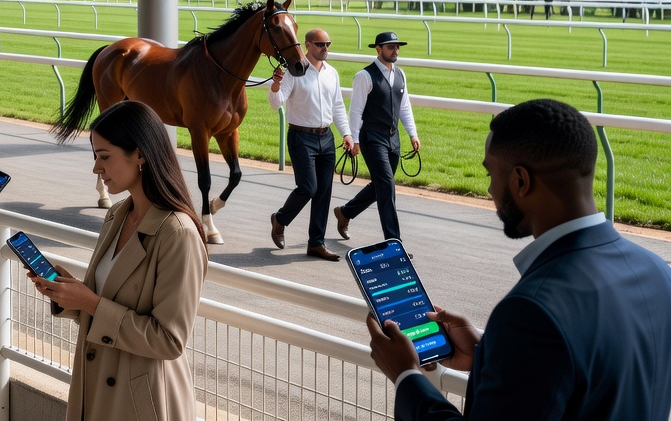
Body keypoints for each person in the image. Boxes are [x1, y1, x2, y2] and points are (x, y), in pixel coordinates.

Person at [367, 99, 671, 420]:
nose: (489, 189)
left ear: (521, 181)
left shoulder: (531, 311)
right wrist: (486, 354)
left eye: (490, 174)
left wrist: (406, 374)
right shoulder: (655, 271)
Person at [30, 100, 206, 421]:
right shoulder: (116, 214)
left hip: (142, 402)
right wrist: (67, 296)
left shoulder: (178, 233)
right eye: (95, 156)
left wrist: (92, 303)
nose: (96, 168)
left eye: (105, 157)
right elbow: (106, 300)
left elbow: (169, 340)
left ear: (140, 154)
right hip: (97, 390)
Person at [266, 29, 354, 261]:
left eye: (328, 43)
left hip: (326, 137)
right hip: (301, 137)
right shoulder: (294, 72)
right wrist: (275, 86)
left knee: (324, 193)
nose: (325, 47)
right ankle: (280, 219)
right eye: (320, 44)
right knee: (308, 187)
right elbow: (276, 104)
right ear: (307, 45)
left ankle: (316, 243)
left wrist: (346, 134)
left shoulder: (332, 73)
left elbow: (337, 106)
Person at [335, 31, 420, 242]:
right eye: (390, 47)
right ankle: (394, 242)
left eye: (397, 46)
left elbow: (404, 106)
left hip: (393, 138)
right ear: (378, 49)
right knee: (387, 187)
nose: (395, 50)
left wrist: (412, 133)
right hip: (372, 138)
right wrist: (353, 139)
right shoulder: (364, 76)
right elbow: (355, 110)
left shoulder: (400, 74)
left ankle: (346, 212)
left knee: (380, 185)